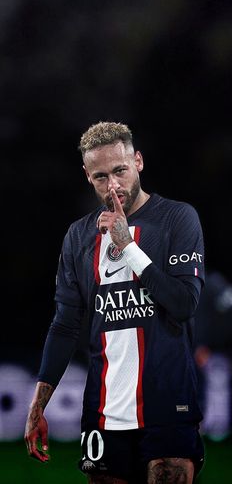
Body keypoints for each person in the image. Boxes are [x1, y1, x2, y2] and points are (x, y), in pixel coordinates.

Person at [25, 122, 205, 484]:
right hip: (103, 412)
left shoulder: (177, 219)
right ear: (87, 176)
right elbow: (64, 325)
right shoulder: (79, 236)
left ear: (138, 161)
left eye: (120, 171)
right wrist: (38, 403)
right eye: (100, 176)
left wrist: (129, 248)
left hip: (168, 405)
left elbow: (185, 304)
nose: (113, 186)